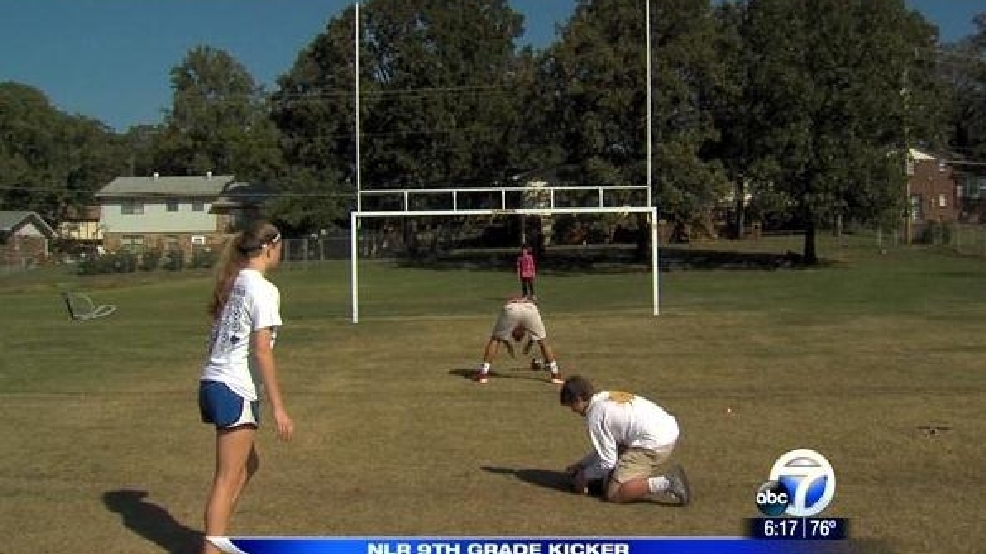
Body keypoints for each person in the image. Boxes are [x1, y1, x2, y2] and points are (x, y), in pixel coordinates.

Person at [198, 220, 294, 554]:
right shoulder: (263, 289)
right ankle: (212, 546)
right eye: (280, 247)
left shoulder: (235, 280)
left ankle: (217, 534)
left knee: (247, 466)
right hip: (233, 387)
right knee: (226, 479)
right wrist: (279, 406)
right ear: (269, 248)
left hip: (213, 382)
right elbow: (262, 349)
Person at [559, 375, 690, 505]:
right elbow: (610, 448)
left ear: (579, 399)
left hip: (655, 444)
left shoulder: (595, 416)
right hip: (666, 430)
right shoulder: (603, 397)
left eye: (571, 405)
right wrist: (582, 464)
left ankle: (668, 482)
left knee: (614, 493)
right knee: (613, 464)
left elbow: (608, 461)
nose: (572, 410)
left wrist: (585, 476)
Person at [476, 296, 562, 385]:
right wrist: (515, 346)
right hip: (529, 309)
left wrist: (511, 346)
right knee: (543, 341)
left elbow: (500, 337)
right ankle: (555, 374)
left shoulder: (516, 326)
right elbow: (537, 338)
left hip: (512, 309)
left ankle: (483, 373)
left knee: (495, 340)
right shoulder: (525, 326)